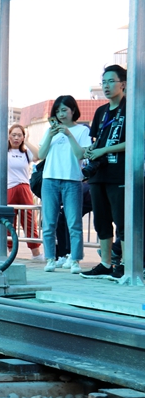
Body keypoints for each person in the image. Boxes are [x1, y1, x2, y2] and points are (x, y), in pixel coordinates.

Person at [81, 65, 127, 280]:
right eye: (104, 82)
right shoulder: (101, 111)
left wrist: (106, 149)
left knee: (122, 220)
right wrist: (92, 150)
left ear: (123, 84)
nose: (107, 86)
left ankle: (126, 264)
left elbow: (136, 141)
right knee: (101, 220)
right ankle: (106, 264)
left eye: (111, 81)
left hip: (120, 172)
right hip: (98, 174)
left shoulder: (132, 109)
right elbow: (96, 140)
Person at [38, 95, 91, 274]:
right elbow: (41, 154)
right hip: (50, 179)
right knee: (49, 222)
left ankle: (75, 260)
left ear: (73, 111)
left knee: (74, 222)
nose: (60, 114)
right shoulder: (50, 131)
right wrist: (50, 136)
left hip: (72, 180)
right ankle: (50, 258)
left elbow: (81, 155)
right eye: (57, 111)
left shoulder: (82, 130)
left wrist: (68, 135)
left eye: (64, 110)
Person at [6, 124, 43, 259]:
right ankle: (10, 252)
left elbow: (39, 155)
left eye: (19, 135)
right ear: (9, 136)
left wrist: (27, 140)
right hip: (9, 188)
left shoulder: (26, 152)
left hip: (24, 187)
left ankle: (36, 252)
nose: (16, 138)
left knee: (29, 220)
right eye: (13, 135)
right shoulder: (3, 151)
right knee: (9, 222)